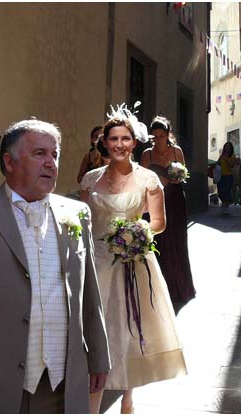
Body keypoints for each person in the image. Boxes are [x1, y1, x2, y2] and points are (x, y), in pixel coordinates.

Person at [0, 119, 111, 413]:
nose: (50, 162)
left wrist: (99, 356)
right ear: (9, 162)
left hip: (64, 384)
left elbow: (89, 294)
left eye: (55, 154)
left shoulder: (78, 213)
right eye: (39, 153)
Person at [80, 106, 187, 414]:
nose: (119, 144)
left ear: (134, 143)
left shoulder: (148, 179)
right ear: (105, 142)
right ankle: (92, 405)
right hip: (96, 262)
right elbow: (83, 220)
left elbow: (159, 222)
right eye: (113, 139)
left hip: (131, 260)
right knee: (96, 330)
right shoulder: (90, 179)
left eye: (125, 139)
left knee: (129, 327)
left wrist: (135, 234)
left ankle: (127, 396)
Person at [140, 116, 196, 306]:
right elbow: (142, 179)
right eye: (154, 136)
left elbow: (183, 174)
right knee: (159, 242)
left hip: (175, 200)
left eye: (161, 136)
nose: (158, 140)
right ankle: (158, 288)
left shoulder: (176, 151)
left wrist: (176, 177)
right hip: (155, 202)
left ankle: (180, 287)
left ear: (167, 135)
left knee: (177, 242)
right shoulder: (147, 154)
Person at [217, 141, 239, 215]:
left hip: (228, 176)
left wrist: (226, 159)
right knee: (220, 191)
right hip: (221, 176)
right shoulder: (221, 156)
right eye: (226, 146)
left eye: (229, 147)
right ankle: (224, 204)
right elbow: (218, 163)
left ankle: (225, 207)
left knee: (227, 191)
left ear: (231, 148)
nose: (227, 148)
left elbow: (232, 165)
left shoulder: (232, 156)